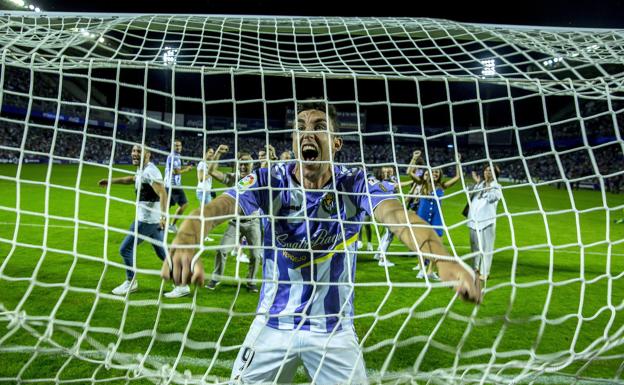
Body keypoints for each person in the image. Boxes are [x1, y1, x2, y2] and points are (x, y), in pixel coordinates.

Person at [161, 101, 481, 384]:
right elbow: (217, 207)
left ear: (336, 142)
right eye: (300, 128)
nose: (307, 134)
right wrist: (187, 239)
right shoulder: (271, 180)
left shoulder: (354, 182)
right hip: (273, 324)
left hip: (334, 331)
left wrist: (441, 258)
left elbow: (398, 216)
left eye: (319, 127)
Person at [98, 145, 189, 298]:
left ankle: (131, 281)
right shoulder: (143, 169)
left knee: (125, 249)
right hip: (149, 221)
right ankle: (182, 285)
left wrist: (163, 217)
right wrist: (111, 181)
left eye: (139, 151)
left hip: (147, 221)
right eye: (133, 150)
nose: (135, 153)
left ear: (148, 154)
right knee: (163, 254)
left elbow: (163, 193)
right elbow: (131, 179)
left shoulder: (150, 171)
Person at [204, 144, 262, 292]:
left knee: (255, 256)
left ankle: (251, 282)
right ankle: (215, 278)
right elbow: (211, 171)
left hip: (253, 222)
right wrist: (217, 153)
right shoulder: (233, 178)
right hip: (235, 223)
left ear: (252, 164)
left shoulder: (259, 179)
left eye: (246, 163)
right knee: (222, 250)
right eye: (241, 163)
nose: (243, 166)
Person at [408, 151, 463, 281]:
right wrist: (414, 158)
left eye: (437, 172)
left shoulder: (442, 186)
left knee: (437, 244)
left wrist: (457, 162)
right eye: (433, 172)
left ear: (440, 175)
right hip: (422, 216)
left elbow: (458, 177)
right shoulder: (422, 183)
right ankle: (421, 269)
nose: (435, 173)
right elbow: (410, 173)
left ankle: (430, 271)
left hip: (436, 218)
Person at [467, 165, 502, 281]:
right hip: (473, 220)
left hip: (487, 221)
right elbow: (468, 191)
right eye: (486, 170)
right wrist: (477, 184)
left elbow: (493, 198)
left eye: (491, 171)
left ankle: (485, 273)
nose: (488, 172)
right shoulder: (479, 184)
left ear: (495, 174)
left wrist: (486, 188)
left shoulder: (497, 186)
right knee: (474, 248)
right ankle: (475, 269)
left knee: (487, 249)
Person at [373, 166, 401, 267]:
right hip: (387, 209)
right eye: (385, 171)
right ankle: (382, 259)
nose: (388, 173)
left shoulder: (392, 180)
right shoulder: (382, 183)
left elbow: (396, 191)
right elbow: (396, 187)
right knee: (390, 233)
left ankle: (378, 254)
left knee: (388, 233)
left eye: (389, 171)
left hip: (391, 208)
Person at [164, 139, 193, 234]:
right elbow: (176, 172)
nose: (178, 147)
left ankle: (171, 225)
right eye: (176, 146)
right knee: (166, 207)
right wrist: (187, 169)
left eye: (179, 145)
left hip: (176, 185)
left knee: (184, 204)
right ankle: (160, 225)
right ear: (172, 147)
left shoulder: (177, 156)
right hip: (171, 185)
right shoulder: (173, 157)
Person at [196, 147, 215, 242]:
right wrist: (211, 174)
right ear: (205, 153)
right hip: (202, 192)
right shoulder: (202, 164)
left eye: (213, 153)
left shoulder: (207, 164)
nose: (212, 154)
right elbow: (200, 178)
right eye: (210, 152)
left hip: (207, 191)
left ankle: (202, 235)